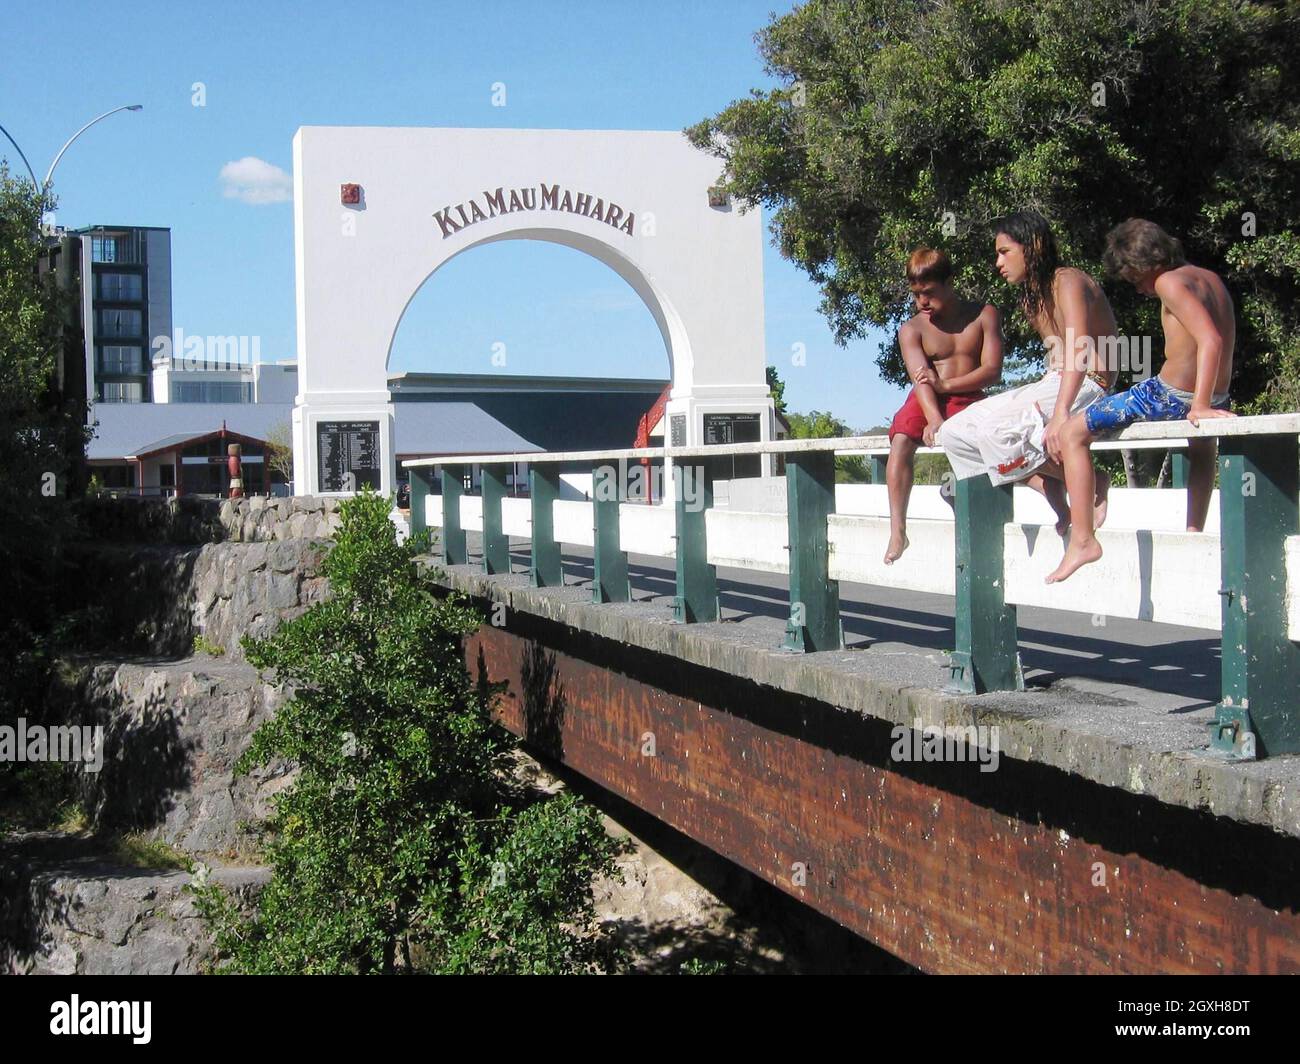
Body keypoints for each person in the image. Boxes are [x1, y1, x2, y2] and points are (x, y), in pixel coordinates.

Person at [1045, 219, 1236, 582]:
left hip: (1168, 395)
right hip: (1216, 390)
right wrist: (1208, 399)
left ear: (1146, 263)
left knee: (1071, 432)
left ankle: (1082, 539)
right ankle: (1194, 530)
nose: (1140, 289)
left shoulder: (1168, 281)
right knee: (1201, 449)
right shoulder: (1209, 278)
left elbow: (1211, 340)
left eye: (1135, 279)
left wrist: (1198, 405)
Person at [937, 211, 1118, 532]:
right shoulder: (1031, 299)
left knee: (996, 431)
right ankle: (1068, 499)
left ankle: (1090, 484)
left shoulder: (1069, 281)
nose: (998, 263)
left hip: (1090, 382)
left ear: (1032, 246)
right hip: (1054, 381)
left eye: (1004, 252)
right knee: (954, 433)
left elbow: (1079, 349)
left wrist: (1061, 413)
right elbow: (1057, 360)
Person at [884, 247, 1003, 563]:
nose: (922, 302)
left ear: (950, 282)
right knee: (900, 440)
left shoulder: (983, 315)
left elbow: (992, 371)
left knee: (986, 442)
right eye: (916, 295)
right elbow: (920, 379)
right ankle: (898, 529)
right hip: (927, 399)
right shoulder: (912, 329)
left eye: (929, 293)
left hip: (968, 396)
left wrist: (947, 385)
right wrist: (934, 418)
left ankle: (956, 496)